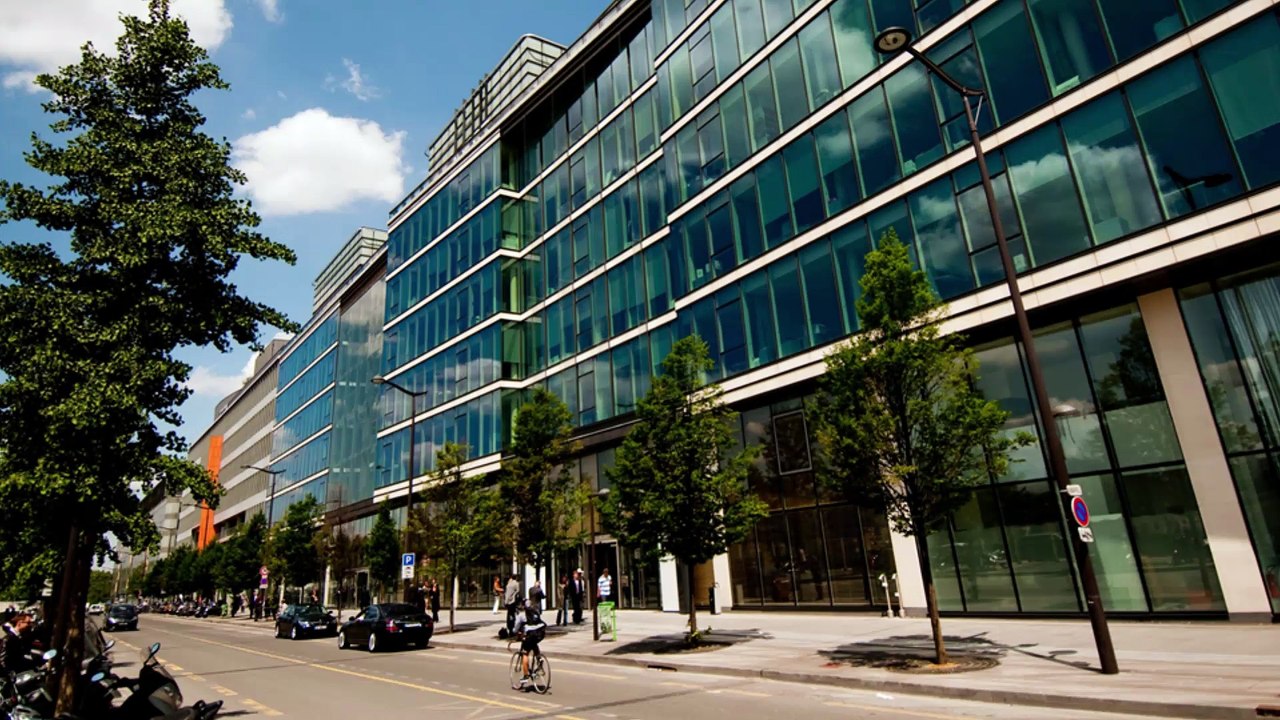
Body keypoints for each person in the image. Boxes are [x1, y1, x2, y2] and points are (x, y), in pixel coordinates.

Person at [511, 600, 547, 690]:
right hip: (540, 633)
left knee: (525, 653)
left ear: (523, 606)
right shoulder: (535, 611)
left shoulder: (522, 615)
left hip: (530, 634)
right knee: (534, 643)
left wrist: (513, 632)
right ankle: (539, 658)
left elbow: (515, 628)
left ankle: (526, 676)